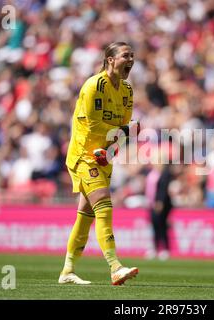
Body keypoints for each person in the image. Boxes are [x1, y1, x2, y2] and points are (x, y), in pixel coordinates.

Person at [59, 42, 140, 285]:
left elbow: (123, 133)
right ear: (110, 59)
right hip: (84, 155)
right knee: (103, 205)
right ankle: (115, 266)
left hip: (103, 156)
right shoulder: (94, 85)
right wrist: (126, 130)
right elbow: (95, 125)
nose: (131, 60)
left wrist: (113, 148)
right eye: (126, 55)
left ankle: (67, 270)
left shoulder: (126, 91)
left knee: (85, 215)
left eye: (132, 56)